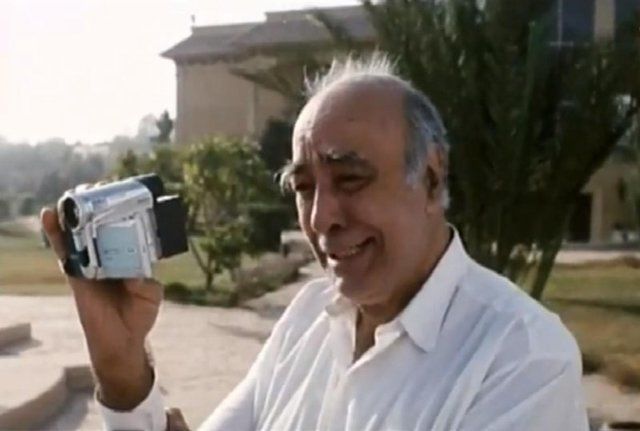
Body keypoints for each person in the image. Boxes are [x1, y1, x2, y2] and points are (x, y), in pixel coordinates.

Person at [41, 55, 589, 431]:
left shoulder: (522, 358)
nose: (321, 217)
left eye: (350, 179)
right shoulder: (308, 319)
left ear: (430, 177)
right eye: (304, 187)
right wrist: (122, 369)